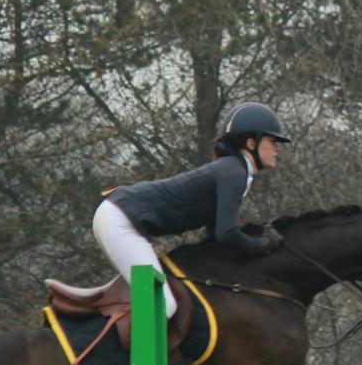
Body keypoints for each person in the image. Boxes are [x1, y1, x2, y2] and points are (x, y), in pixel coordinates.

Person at [93, 102, 291, 319]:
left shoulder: (233, 170)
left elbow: (216, 235)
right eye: (273, 141)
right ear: (251, 142)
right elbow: (227, 233)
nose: (278, 148)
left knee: (165, 300)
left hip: (119, 215)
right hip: (121, 219)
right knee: (163, 304)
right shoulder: (234, 172)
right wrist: (263, 245)